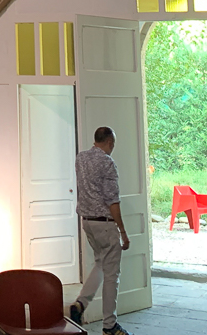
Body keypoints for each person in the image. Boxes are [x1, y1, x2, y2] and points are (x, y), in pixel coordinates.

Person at [70, 126, 131, 335]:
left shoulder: (81, 158)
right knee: (112, 275)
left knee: (100, 264)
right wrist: (122, 231)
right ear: (110, 142)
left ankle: (81, 303)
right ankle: (109, 325)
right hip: (105, 223)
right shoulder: (107, 162)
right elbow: (112, 200)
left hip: (87, 222)